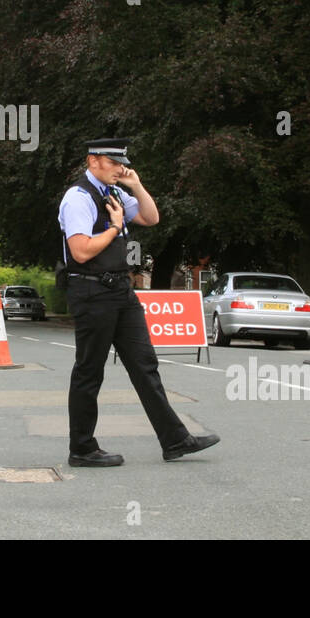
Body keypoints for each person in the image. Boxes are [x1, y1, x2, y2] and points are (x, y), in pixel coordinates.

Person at [59, 137, 220, 467]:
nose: (120, 168)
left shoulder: (115, 193)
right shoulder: (78, 198)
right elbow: (80, 251)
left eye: (123, 163)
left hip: (120, 291)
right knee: (90, 371)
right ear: (93, 162)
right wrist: (116, 226)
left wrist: (137, 184)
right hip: (91, 291)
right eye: (113, 162)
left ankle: (175, 439)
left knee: (145, 365)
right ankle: (82, 449)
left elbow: (151, 217)